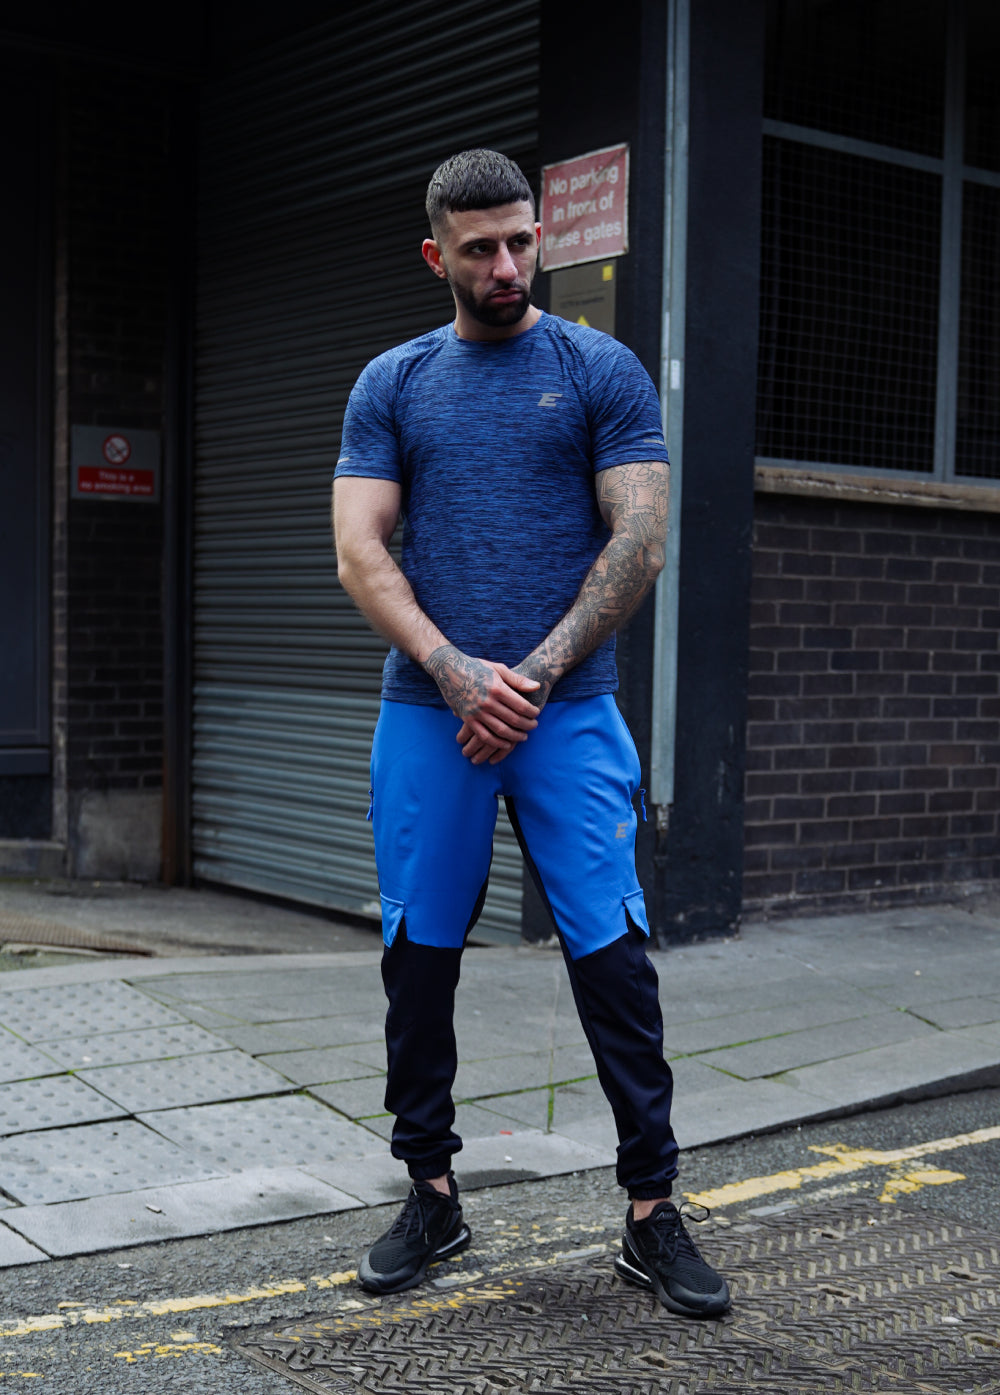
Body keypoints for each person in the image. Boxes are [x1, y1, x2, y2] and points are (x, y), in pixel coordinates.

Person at [332, 148, 730, 1318]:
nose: (506, 266)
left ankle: (652, 1213)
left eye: (521, 241)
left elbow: (639, 540)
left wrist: (531, 679)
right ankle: (433, 1196)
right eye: (479, 249)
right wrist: (456, 672)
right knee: (419, 958)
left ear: (540, 233)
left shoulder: (598, 369)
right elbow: (361, 550)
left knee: (611, 956)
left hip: (570, 714)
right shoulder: (393, 382)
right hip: (426, 714)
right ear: (435, 256)